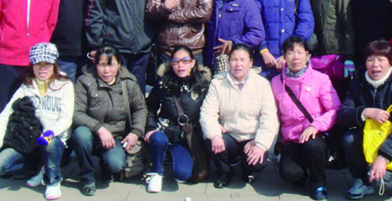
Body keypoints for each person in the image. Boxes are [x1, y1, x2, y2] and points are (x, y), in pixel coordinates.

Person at [0, 43, 74, 200]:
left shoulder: (65, 85)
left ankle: (53, 181)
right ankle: (37, 166)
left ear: (54, 64)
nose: (42, 69)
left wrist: (51, 132)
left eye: (47, 64)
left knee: (50, 144)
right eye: (38, 64)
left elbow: (66, 118)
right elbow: (4, 117)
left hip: (54, 138)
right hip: (30, 140)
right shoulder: (25, 87)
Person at [337, 40, 392, 201]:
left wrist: (383, 157)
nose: (375, 65)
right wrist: (365, 112)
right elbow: (343, 115)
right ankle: (362, 180)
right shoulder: (358, 81)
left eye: (381, 60)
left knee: (382, 182)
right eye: (370, 60)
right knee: (349, 138)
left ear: (390, 62)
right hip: (369, 138)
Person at [271, 36, 342, 201]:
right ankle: (302, 172)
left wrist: (316, 125)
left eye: (299, 52)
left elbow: (334, 109)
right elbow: (272, 114)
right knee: (290, 174)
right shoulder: (276, 82)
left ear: (307, 55)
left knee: (313, 146)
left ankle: (318, 182)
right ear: (284, 56)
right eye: (290, 53)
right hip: (291, 138)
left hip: (315, 135)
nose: (295, 57)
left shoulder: (321, 79)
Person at [200, 44, 278, 188]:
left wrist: (260, 144)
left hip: (252, 137)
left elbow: (269, 118)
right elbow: (207, 112)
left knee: (259, 160)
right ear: (228, 61)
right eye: (234, 60)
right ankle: (224, 171)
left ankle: (248, 170)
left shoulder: (262, 84)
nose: (238, 64)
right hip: (229, 135)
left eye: (243, 60)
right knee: (210, 139)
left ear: (251, 62)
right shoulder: (217, 83)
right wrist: (215, 134)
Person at [72, 46, 147, 196]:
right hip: (91, 132)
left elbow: (140, 108)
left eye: (111, 65)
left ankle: (106, 166)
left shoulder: (128, 82)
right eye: (102, 65)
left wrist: (136, 132)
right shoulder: (84, 81)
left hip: (116, 135)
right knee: (81, 135)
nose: (106, 70)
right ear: (95, 65)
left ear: (119, 64)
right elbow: (76, 113)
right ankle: (87, 177)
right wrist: (99, 129)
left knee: (115, 164)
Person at [143, 46, 211, 192]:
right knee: (158, 139)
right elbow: (150, 106)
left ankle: (169, 156)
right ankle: (156, 172)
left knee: (183, 174)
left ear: (193, 62)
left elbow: (211, 110)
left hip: (185, 136)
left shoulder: (202, 84)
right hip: (164, 130)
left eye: (185, 61)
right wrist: (150, 127)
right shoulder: (164, 83)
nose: (180, 65)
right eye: (176, 61)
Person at [252, 0, 314, 79]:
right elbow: (254, 22)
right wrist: (263, 50)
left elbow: (306, 22)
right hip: (265, 59)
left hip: (291, 60)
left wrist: (289, 53)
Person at [306, 0, 355, 97]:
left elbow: (347, 25)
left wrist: (349, 56)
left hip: (338, 55)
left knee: (339, 95)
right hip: (319, 57)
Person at [204, 0, 265, 73]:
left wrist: (235, 43)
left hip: (235, 62)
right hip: (209, 61)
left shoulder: (246, 2)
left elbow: (257, 33)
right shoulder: (208, 0)